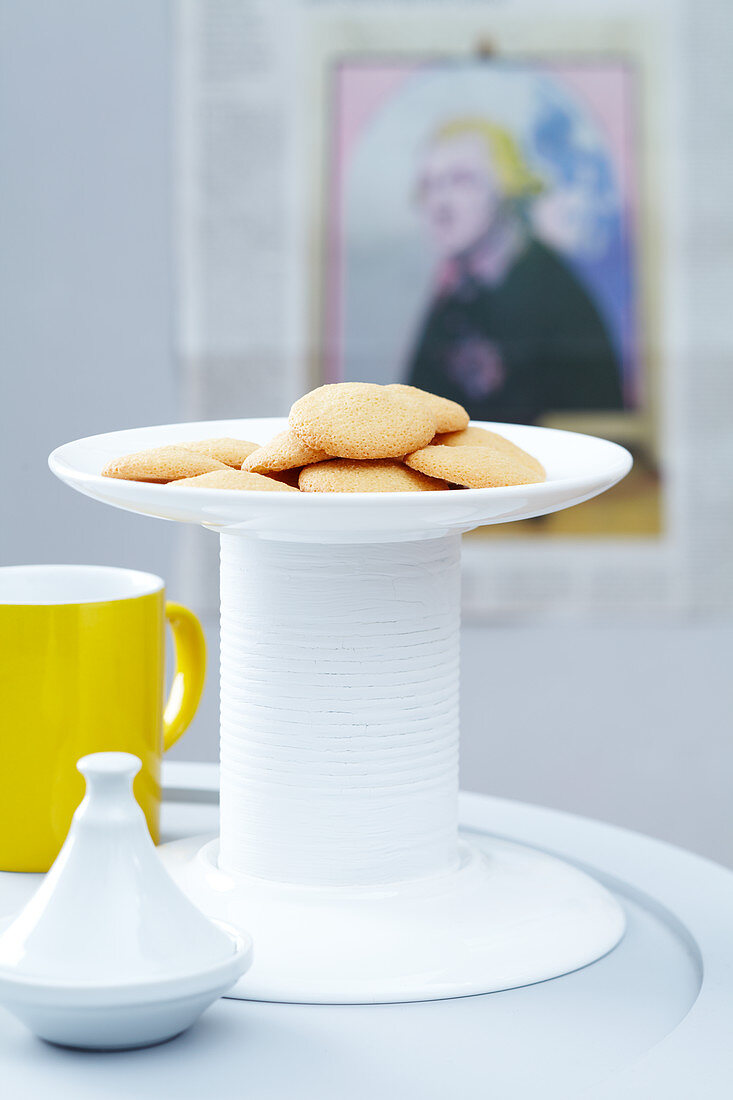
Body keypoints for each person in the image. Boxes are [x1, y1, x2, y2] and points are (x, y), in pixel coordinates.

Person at [407, 117, 623, 424]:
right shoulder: (454, 297)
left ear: (508, 187)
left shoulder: (557, 296)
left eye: (460, 180)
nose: (439, 205)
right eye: (428, 186)